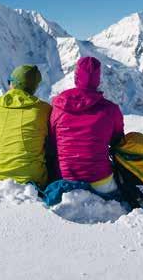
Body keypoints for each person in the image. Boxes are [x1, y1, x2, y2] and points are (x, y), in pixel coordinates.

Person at [49, 56, 124, 197]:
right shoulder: (111, 109)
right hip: (100, 179)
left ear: (76, 77)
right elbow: (118, 140)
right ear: (98, 79)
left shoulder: (58, 107)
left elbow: (53, 140)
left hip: (66, 177)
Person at [0, 65, 51, 187]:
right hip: (33, 180)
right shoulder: (44, 110)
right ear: (34, 87)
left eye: (10, 81)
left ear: (13, 84)